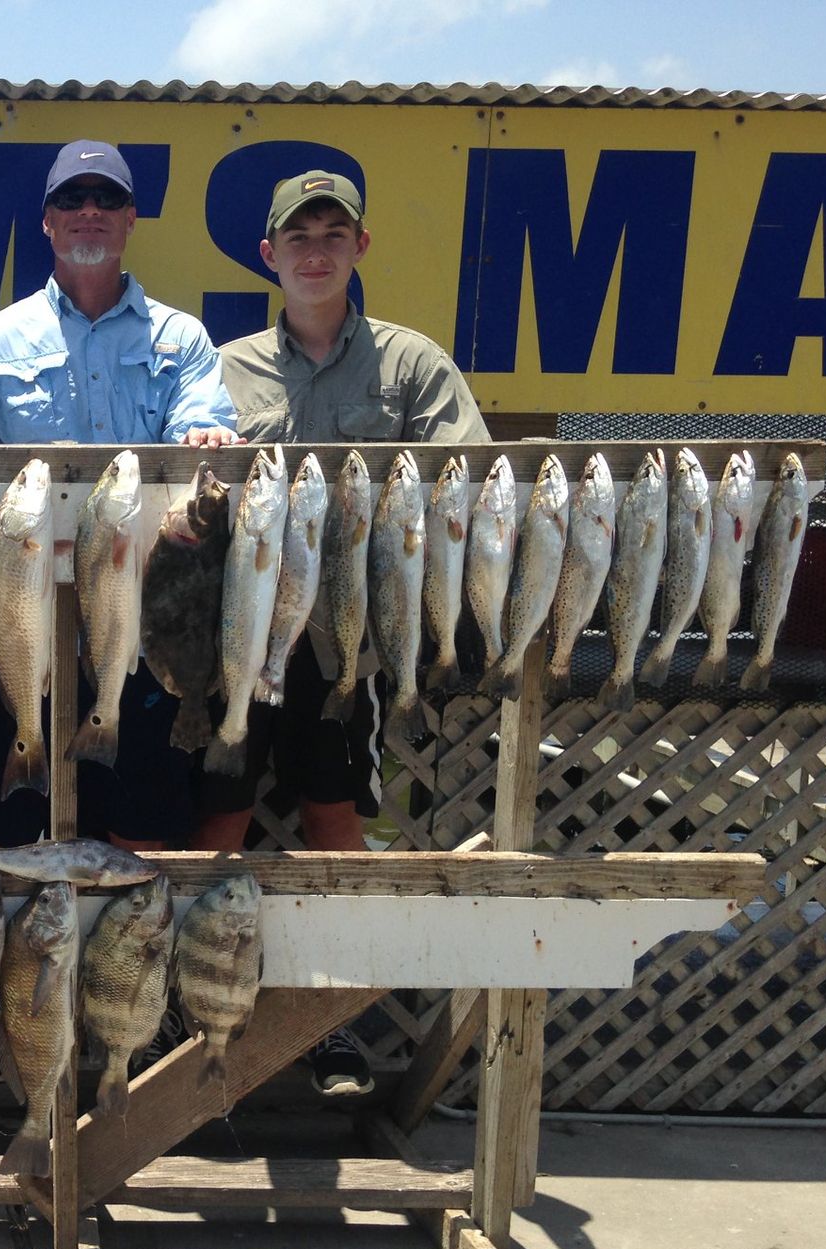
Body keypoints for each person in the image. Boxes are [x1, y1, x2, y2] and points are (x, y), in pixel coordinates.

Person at [195, 169, 490, 1097]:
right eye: (298, 237)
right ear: (268, 255)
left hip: (349, 651)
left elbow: (470, 476)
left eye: (333, 234)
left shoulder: (413, 366)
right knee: (217, 827)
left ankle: (331, 1023)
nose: (315, 251)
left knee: (332, 823)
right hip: (241, 643)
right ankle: (210, 1018)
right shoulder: (223, 367)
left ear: (360, 247)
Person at [0, 139, 238, 852]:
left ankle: (123, 962)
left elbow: (204, 425)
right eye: (71, 199)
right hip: (22, 623)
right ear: (47, 221)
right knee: (8, 839)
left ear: (132, 217)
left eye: (106, 198)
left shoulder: (184, 337)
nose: (89, 212)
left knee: (146, 836)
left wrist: (204, 445)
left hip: (144, 631)